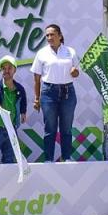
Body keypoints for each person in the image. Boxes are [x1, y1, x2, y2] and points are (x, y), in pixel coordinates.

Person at [31, 24, 80, 162]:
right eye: (47, 35)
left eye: (52, 34)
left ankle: (67, 157)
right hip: (48, 92)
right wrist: (36, 98)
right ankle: (48, 159)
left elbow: (76, 73)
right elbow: (36, 78)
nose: (49, 37)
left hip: (68, 92)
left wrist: (75, 72)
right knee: (50, 128)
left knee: (66, 128)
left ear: (60, 35)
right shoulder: (41, 53)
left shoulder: (70, 51)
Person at [0, 55, 28, 164]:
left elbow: (23, 101)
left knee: (9, 158)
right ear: (1, 70)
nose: (6, 71)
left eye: (9, 68)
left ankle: (5, 178)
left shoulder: (20, 89)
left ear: (14, 70)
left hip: (11, 129)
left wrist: (23, 113)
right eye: (4, 68)